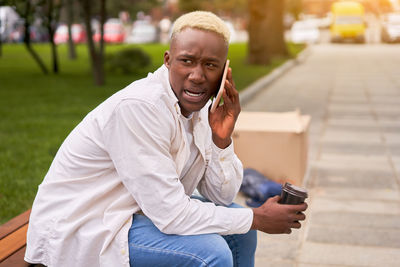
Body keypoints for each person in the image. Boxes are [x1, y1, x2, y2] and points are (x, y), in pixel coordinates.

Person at [25, 11, 307, 267]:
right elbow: (172, 215)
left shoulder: (198, 111)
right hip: (86, 224)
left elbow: (221, 196)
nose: (197, 76)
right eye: (187, 61)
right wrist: (257, 218)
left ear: (224, 73)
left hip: (134, 213)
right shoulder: (140, 108)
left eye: (210, 65)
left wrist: (222, 138)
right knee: (211, 252)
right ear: (168, 60)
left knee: (241, 235)